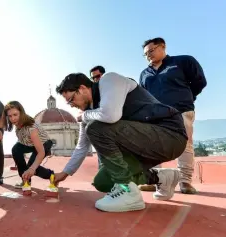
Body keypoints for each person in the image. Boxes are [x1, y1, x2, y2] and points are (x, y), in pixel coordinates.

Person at [53, 72, 188, 212]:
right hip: (141, 146)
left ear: (82, 88)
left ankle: (128, 191)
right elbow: (81, 147)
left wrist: (85, 116)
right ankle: (162, 177)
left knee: (95, 127)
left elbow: (110, 115)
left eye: (71, 99)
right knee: (103, 182)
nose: (71, 105)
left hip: (170, 135)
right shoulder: (89, 113)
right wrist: (64, 174)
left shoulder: (109, 80)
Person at [139, 37, 207, 194]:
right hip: (155, 115)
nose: (148, 55)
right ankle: (152, 180)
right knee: (152, 147)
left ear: (162, 46)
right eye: (145, 54)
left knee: (185, 145)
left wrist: (186, 97)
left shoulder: (183, 62)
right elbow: (143, 96)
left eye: (151, 51)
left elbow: (199, 82)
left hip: (180, 111)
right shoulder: (144, 74)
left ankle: (185, 182)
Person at [4, 101, 55, 188]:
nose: (12, 118)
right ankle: (25, 181)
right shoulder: (17, 124)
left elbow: (41, 152)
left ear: (21, 113)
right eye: (10, 116)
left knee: (32, 167)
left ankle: (52, 176)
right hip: (28, 144)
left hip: (43, 144)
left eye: (15, 115)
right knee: (16, 149)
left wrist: (32, 169)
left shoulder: (31, 128)